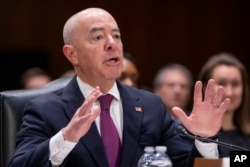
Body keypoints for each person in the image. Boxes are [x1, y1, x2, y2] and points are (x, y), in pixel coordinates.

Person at [9, 8, 230, 167]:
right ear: (72, 54)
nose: (112, 43)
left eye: (116, 36)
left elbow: (188, 164)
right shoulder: (45, 109)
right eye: (97, 37)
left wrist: (204, 140)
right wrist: (67, 137)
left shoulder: (151, 106)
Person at [197, 52, 250, 157]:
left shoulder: (247, 136)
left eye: (235, 84)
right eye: (221, 83)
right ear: (204, 87)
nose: (229, 92)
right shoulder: (186, 132)